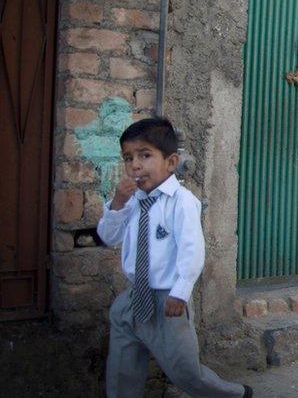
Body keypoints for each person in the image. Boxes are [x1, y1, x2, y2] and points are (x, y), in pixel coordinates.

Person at [97, 117, 252, 398]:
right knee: (121, 371)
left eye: (145, 155)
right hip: (133, 300)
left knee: (185, 372)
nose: (135, 165)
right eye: (128, 158)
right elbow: (109, 237)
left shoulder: (182, 201)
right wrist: (117, 204)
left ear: (171, 162)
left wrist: (180, 292)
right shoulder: (132, 201)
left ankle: (234, 394)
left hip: (167, 301)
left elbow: (192, 250)